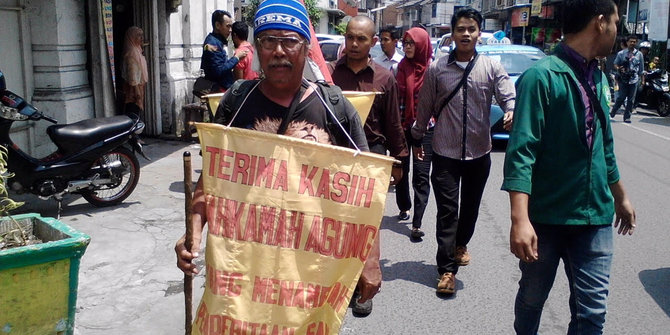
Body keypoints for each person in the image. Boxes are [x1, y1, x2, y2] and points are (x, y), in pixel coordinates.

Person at [174, 0, 381, 322]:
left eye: (289, 41)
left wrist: (371, 261)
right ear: (257, 46)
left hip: (312, 271)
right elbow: (212, 177)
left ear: (306, 47)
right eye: (269, 41)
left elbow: (365, 194)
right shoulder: (236, 103)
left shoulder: (335, 108)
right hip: (242, 269)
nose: (279, 51)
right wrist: (193, 230)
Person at [501, 0, 636, 333]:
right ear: (600, 22)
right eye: (616, 23)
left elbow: (603, 145)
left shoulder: (600, 77)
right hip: (546, 219)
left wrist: (620, 196)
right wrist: (520, 219)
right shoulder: (541, 77)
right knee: (532, 300)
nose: (617, 31)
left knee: (592, 314)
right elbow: (522, 152)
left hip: (595, 219)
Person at [411, 7, 515, 295]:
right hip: (444, 152)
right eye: (461, 29)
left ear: (479, 33)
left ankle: (460, 244)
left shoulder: (491, 67)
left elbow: (508, 94)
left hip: (479, 153)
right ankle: (446, 270)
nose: (466, 34)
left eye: (471, 29)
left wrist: (510, 110)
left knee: (469, 209)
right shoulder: (437, 69)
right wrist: (417, 137)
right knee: (447, 212)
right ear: (453, 33)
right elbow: (426, 108)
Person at [328, 15, 408, 315]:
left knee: (367, 225)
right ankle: (342, 286)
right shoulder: (330, 76)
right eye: (350, 37)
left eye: (361, 39)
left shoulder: (385, 78)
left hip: (372, 156)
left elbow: (394, 124)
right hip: (335, 156)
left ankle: (365, 288)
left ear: (373, 42)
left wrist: (399, 160)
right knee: (338, 225)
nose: (354, 44)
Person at [395, 27, 433, 239]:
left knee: (421, 173)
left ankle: (417, 222)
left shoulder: (432, 69)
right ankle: (404, 206)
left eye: (412, 43)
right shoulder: (401, 67)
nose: (408, 47)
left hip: (425, 130)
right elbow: (396, 101)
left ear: (421, 45)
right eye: (405, 43)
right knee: (401, 171)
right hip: (402, 128)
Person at [200, 10, 248, 92]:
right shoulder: (212, 44)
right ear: (218, 25)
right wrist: (236, 58)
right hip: (219, 90)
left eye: (231, 27)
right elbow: (218, 71)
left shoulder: (216, 42)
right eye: (227, 26)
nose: (230, 30)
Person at [609, 34, 644, 123]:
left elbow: (641, 69)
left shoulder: (639, 54)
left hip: (634, 80)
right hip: (623, 79)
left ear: (636, 43)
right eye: (630, 41)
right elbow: (615, 64)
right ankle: (613, 112)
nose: (632, 43)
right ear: (627, 42)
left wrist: (642, 79)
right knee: (621, 97)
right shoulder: (621, 53)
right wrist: (619, 69)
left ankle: (627, 117)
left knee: (631, 100)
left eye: (634, 42)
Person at [121, 26, 148, 117]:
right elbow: (132, 75)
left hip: (138, 87)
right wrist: (137, 93)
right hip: (133, 90)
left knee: (135, 112)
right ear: (132, 37)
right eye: (139, 36)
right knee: (133, 113)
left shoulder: (136, 50)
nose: (141, 38)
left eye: (142, 35)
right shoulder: (132, 53)